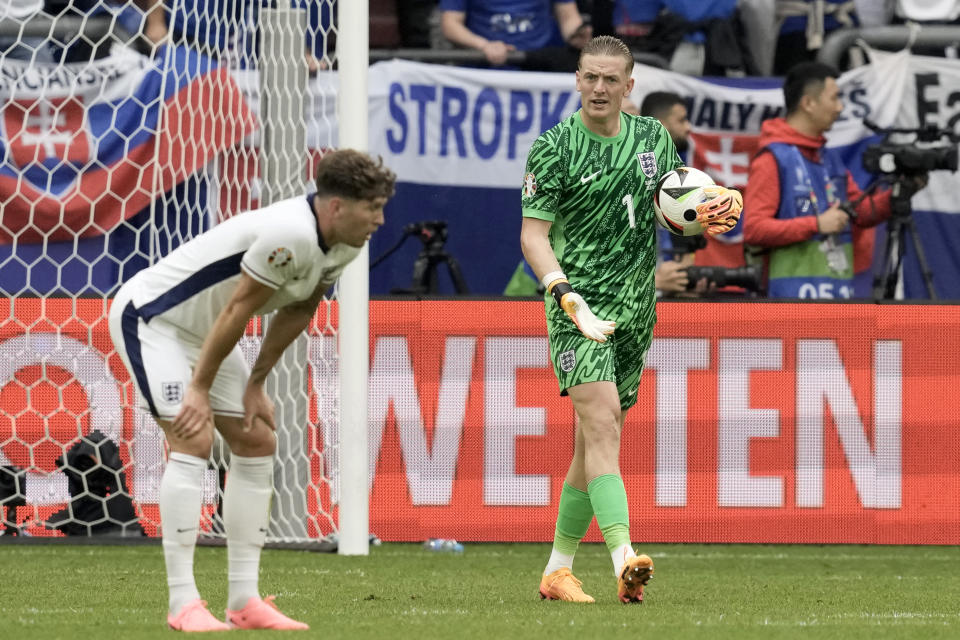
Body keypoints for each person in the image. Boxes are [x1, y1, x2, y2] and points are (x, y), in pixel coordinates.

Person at [107, 149, 396, 631]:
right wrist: (199, 387)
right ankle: (183, 604)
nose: (381, 220)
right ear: (338, 207)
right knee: (192, 437)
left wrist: (257, 384)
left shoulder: (345, 243)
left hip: (204, 334)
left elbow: (299, 310)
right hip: (152, 320)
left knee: (257, 437)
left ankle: (243, 601)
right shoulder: (290, 235)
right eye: (373, 208)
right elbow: (238, 309)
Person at [520, 35, 741, 603]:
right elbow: (533, 236)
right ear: (576, 79)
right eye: (589, 77)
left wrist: (706, 214)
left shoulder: (653, 140)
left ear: (628, 86)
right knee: (601, 422)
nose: (598, 88)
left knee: (593, 442)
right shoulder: (553, 148)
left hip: (638, 307)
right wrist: (563, 292)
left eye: (609, 80)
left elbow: (671, 212)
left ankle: (556, 570)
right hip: (578, 305)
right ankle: (624, 557)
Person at [742, 61, 920, 299]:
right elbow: (754, 230)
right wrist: (816, 225)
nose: (840, 107)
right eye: (834, 98)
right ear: (808, 103)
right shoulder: (773, 158)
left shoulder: (829, 157)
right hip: (788, 303)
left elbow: (862, 212)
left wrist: (903, 191)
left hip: (836, 298)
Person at [439, 0, 592, 71]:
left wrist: (576, 34)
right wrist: (484, 45)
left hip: (540, 67)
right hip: (485, 69)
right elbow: (450, 24)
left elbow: (568, 16)